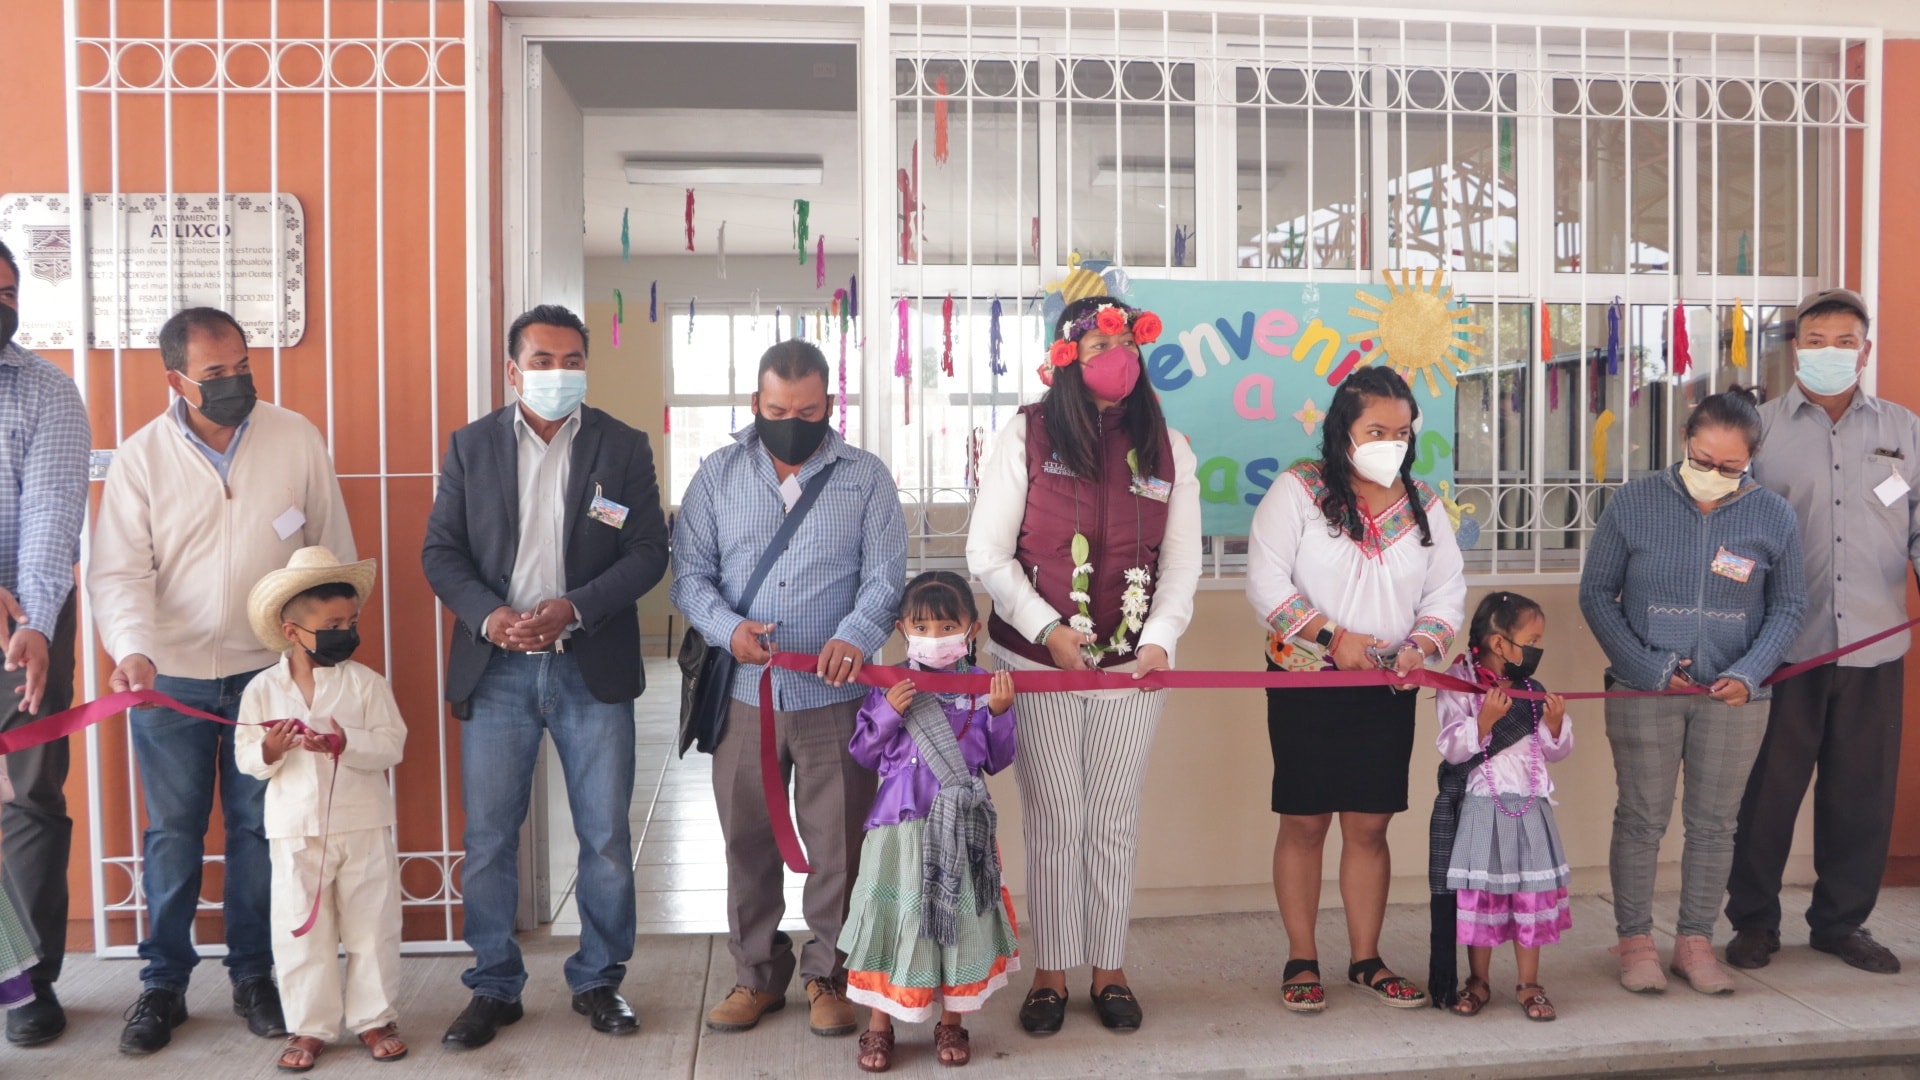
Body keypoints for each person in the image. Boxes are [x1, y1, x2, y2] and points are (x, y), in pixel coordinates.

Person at [91, 306, 355, 1055]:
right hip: (169, 679)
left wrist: (319, 647)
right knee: (173, 833)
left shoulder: (294, 436)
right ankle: (163, 984)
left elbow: (329, 547)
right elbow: (120, 571)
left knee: (257, 832)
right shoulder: (141, 458)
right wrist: (134, 649)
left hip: (267, 675)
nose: (236, 381)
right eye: (216, 374)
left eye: (243, 365)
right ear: (176, 378)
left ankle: (253, 975)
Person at [422, 304, 670, 1049]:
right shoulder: (471, 448)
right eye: (543, 360)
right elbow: (442, 553)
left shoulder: (621, 448)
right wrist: (492, 617)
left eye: (571, 360)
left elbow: (649, 550)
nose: (557, 373)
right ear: (512, 369)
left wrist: (573, 608)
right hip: (497, 668)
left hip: (587, 667)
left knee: (602, 837)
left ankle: (599, 980)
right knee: (492, 838)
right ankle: (494, 986)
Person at [967, 296, 1201, 1035]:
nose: (1118, 354)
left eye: (1128, 340)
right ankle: (1049, 975)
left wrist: (1159, 637)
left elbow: (1181, 564)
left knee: (1111, 818)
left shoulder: (1169, 447)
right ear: (1068, 354)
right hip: (1036, 660)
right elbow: (988, 555)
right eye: (1101, 341)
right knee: (1055, 818)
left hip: (1133, 669)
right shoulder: (1028, 433)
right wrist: (1045, 627)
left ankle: (1109, 969)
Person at [672, 339, 907, 1039]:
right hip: (744, 696)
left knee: (838, 844)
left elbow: (886, 576)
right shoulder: (717, 475)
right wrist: (728, 628)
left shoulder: (865, 477)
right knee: (747, 842)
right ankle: (756, 977)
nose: (792, 421)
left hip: (837, 700)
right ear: (755, 403)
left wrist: (855, 637)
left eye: (807, 410)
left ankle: (828, 977)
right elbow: (690, 577)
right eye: (778, 409)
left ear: (829, 405)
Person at [1244, 364, 1465, 1014]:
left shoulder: (1423, 502)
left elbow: (1446, 589)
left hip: (1387, 688)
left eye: (1401, 431)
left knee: (1370, 825)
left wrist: (1422, 643)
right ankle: (1302, 958)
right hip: (1306, 681)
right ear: (1344, 429)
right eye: (1376, 430)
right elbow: (1266, 582)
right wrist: (1331, 637)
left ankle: (1366, 959)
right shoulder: (1299, 491)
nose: (1390, 442)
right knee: (1306, 820)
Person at [1579, 387, 1806, 996]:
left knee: (1714, 825)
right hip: (1643, 690)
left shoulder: (1773, 516)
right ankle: (1635, 942)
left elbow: (1788, 607)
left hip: (1733, 698)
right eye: (1702, 460)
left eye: (1729, 468)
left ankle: (1695, 942)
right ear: (1685, 443)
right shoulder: (1635, 501)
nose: (1712, 475)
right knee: (1642, 818)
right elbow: (1597, 594)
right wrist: (1646, 666)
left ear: (1750, 462)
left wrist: (1750, 673)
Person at [1726, 289, 1911, 976]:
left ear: (1864, 351)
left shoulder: (1903, 430)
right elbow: (1730, 533)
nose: (1829, 351)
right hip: (1783, 649)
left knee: (1860, 794)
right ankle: (1753, 922)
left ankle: (1841, 923)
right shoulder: (1761, 430)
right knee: (1767, 793)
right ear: (1795, 347)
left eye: (1843, 340)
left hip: (1875, 643)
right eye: (1815, 338)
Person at [234, 547, 407, 1071]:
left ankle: (375, 1017)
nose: (346, 632)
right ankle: (309, 1027)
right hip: (294, 829)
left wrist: (343, 741)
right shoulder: (262, 690)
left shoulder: (366, 684)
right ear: (292, 631)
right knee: (299, 929)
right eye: (332, 624)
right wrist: (272, 749)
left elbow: (392, 745)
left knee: (371, 926)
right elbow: (247, 757)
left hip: (363, 823)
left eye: (351, 622)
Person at [842, 571, 1019, 1073]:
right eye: (922, 626)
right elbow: (863, 753)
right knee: (891, 921)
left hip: (961, 832)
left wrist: (1001, 712)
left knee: (959, 922)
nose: (934, 638)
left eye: (947, 626)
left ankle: (953, 1023)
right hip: (899, 831)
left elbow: (995, 759)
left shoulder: (981, 690)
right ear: (902, 628)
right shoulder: (888, 685)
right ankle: (879, 1027)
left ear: (972, 628)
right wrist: (886, 717)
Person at [0, 239, 90, 1047]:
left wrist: (32, 622)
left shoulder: (48, 391)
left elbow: (53, 509)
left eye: (6, 291)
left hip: (23, 630)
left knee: (28, 798)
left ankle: (26, 982)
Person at [1433, 592, 1573, 1022]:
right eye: (1531, 640)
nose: (1536, 649)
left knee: (1530, 895)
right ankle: (1478, 980)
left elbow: (1556, 750)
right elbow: (1452, 748)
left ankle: (1529, 983)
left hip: (1530, 807)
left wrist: (1553, 726)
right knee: (1484, 895)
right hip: (1482, 806)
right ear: (1499, 643)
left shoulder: (1532, 690)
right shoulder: (1462, 685)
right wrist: (1484, 722)